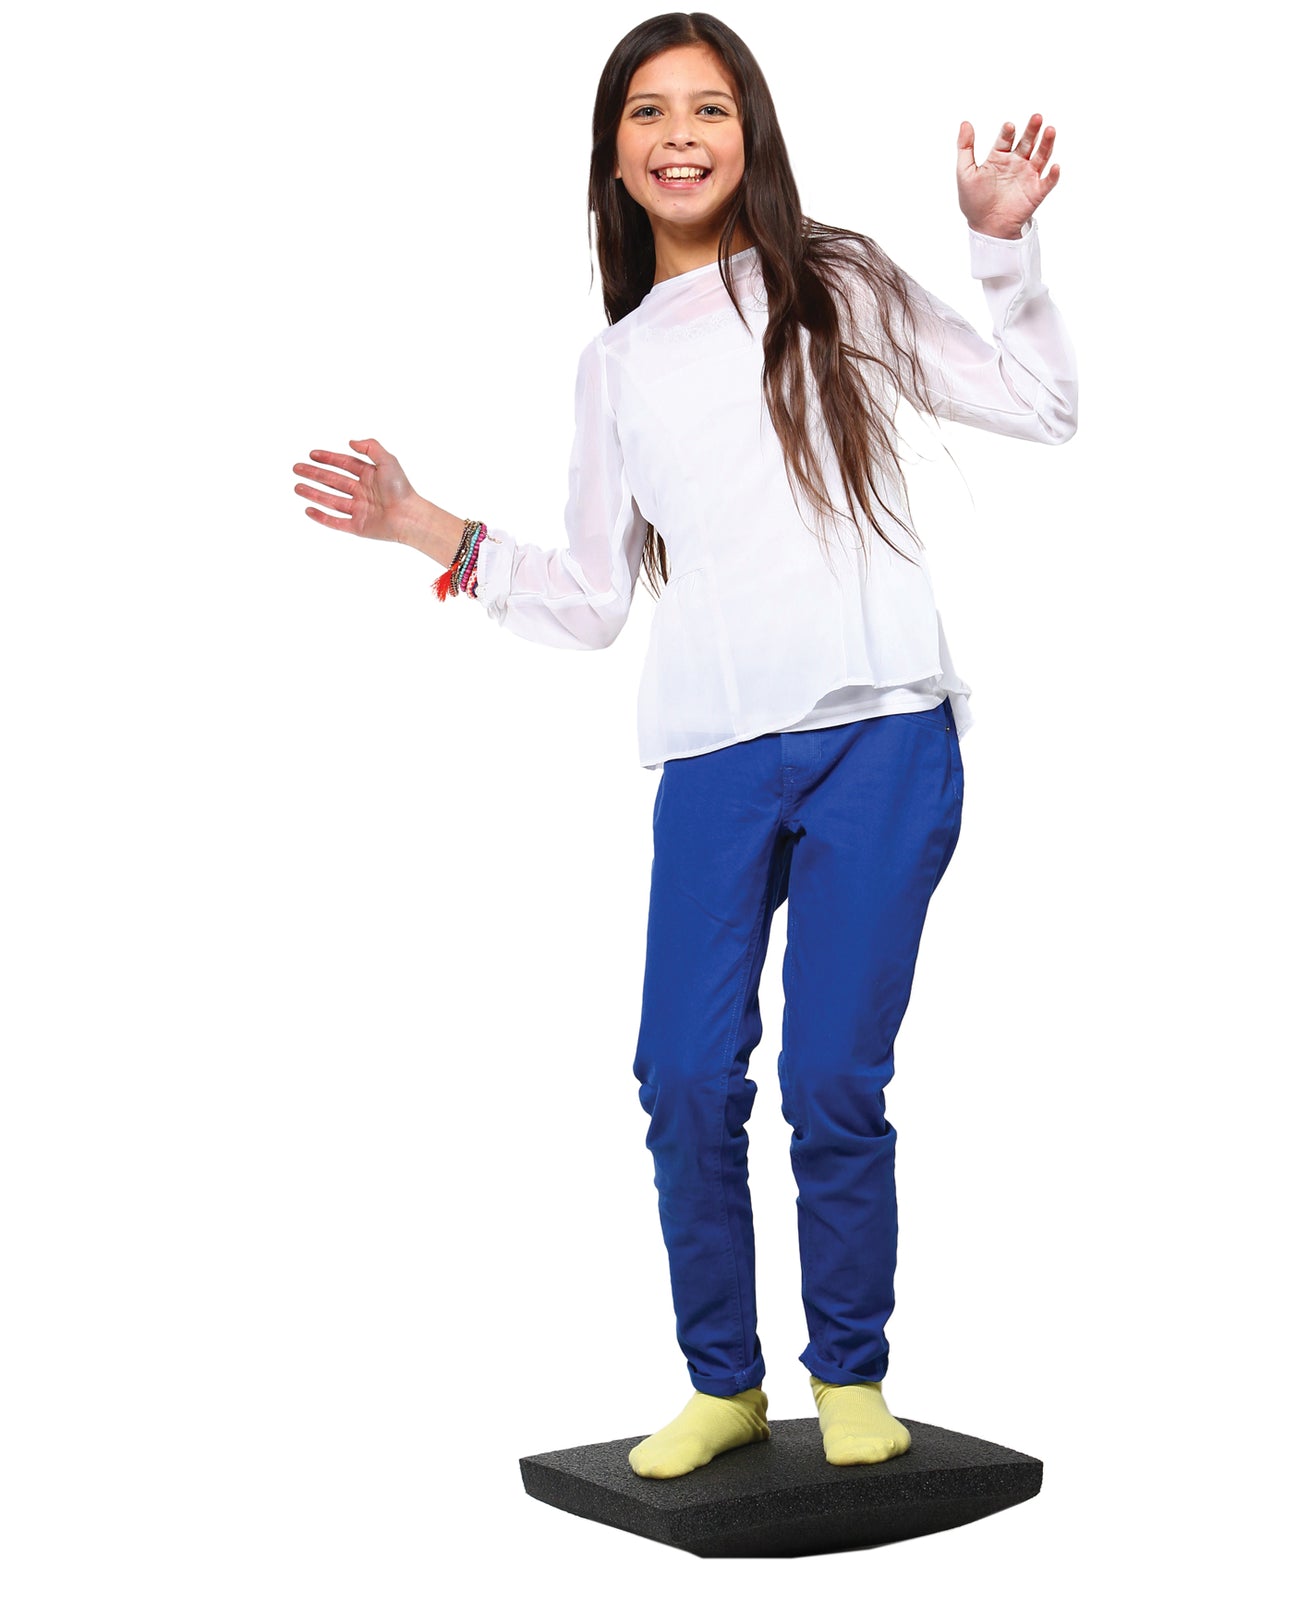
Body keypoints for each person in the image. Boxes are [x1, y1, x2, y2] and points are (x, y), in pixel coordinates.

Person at [290, 13, 1077, 1481]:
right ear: (614, 152)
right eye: (648, 112)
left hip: (880, 736)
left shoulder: (824, 280)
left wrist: (1001, 250)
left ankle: (849, 1372)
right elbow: (592, 601)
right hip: (714, 757)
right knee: (684, 1076)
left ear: (750, 131)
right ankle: (725, 1383)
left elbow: (1041, 403)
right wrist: (431, 531)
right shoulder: (613, 364)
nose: (679, 135)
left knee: (835, 1077)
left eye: (708, 108)